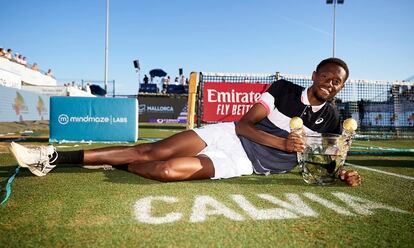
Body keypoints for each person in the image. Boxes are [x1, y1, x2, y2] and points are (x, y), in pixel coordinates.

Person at [9, 58, 361, 186]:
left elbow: (327, 159)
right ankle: (51, 157)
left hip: (242, 163)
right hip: (229, 137)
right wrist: (283, 143)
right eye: (326, 76)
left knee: (163, 170)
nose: (330, 84)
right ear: (315, 75)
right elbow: (243, 125)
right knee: (149, 150)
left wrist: (341, 172)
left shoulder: (331, 118)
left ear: (340, 87)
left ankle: (120, 165)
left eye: (337, 82)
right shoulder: (284, 89)